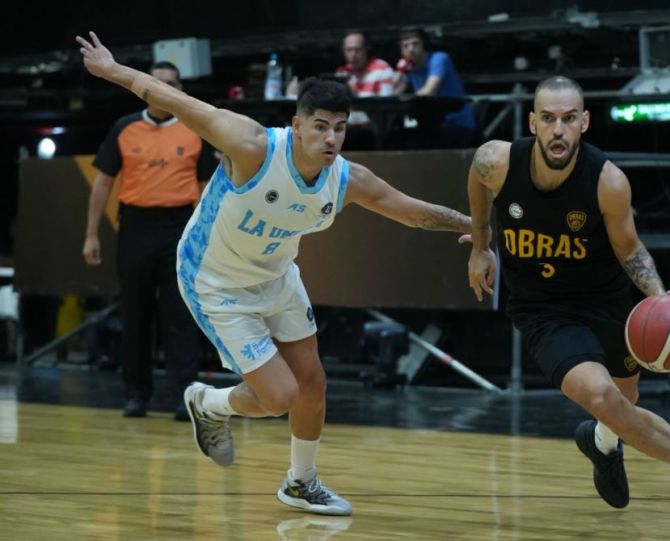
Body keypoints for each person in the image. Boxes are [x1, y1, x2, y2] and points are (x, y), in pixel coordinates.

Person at [77, 32, 471, 516]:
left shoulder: (346, 179)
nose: (331, 138)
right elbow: (173, 99)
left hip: (277, 276)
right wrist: (112, 69)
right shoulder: (251, 146)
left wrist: (475, 227)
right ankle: (209, 403)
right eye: (320, 127)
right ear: (297, 125)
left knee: (313, 383)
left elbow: (411, 212)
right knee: (279, 397)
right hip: (214, 280)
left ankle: (301, 483)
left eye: (340, 128)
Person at [464, 76, 670, 535]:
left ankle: (601, 444)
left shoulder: (607, 181)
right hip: (544, 311)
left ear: (584, 122)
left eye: (569, 119)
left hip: (606, 302)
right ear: (532, 122)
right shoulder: (497, 161)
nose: (558, 130)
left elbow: (630, 250)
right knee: (603, 397)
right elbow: (476, 177)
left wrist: (663, 300)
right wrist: (481, 243)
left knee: (624, 403)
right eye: (548, 118)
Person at [83, 60, 216, 420]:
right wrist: (91, 234)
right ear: (143, 87)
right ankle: (135, 394)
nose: (163, 89)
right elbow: (103, 183)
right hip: (136, 227)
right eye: (156, 83)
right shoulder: (125, 127)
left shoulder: (195, 129)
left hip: (180, 228)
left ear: (181, 90)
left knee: (180, 315)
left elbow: (208, 189)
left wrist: (209, 237)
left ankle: (184, 396)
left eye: (171, 84)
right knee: (135, 313)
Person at [394, 28, 476, 148]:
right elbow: (395, 95)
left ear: (424, 45)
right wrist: (400, 72)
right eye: (405, 46)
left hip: (456, 124)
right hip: (429, 125)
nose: (411, 49)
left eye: (415, 44)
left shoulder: (439, 59)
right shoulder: (409, 67)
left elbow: (428, 92)